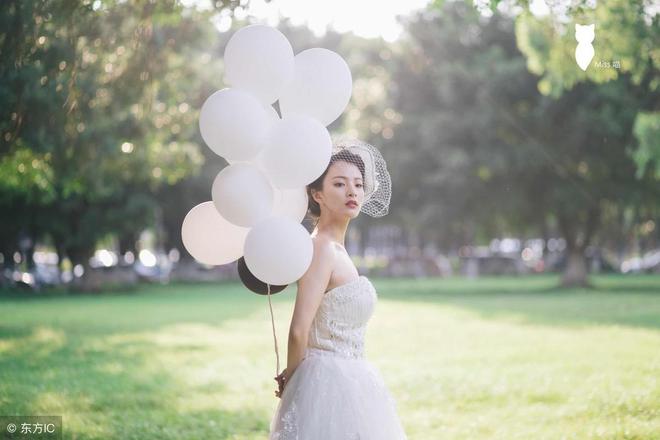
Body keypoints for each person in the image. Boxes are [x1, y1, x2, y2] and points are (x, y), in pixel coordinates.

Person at [268, 139, 407, 439]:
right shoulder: (321, 248)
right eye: (340, 184)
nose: (352, 192)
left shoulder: (337, 249)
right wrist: (293, 384)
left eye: (357, 184)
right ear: (317, 194)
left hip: (352, 378)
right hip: (324, 382)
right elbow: (299, 330)